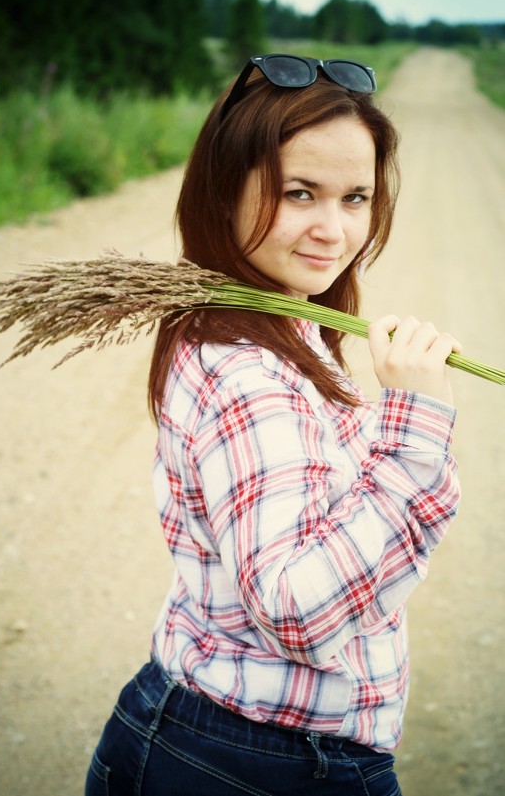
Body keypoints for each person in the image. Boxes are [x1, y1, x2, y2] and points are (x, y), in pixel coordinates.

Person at [85, 54, 461, 795]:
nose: (334, 229)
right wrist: (414, 428)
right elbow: (301, 613)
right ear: (225, 192)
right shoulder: (247, 370)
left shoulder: (271, 325)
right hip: (254, 766)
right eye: (299, 193)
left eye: (355, 196)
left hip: (211, 744)